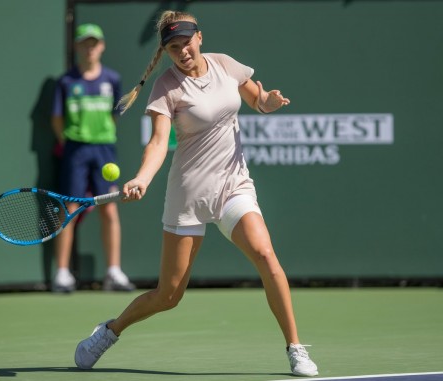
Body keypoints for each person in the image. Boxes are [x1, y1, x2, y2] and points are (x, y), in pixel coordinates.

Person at [73, 11, 318, 377]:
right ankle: (109, 331)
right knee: (168, 296)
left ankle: (296, 349)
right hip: (188, 194)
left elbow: (257, 99)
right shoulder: (166, 87)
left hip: (234, 186)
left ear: (199, 38)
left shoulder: (226, 65)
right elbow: (158, 143)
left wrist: (269, 101)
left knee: (266, 255)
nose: (182, 52)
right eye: (174, 48)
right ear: (167, 51)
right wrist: (142, 177)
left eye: (186, 43)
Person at [51, 23, 135, 292]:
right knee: (69, 210)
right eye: (84, 43)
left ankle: (113, 272)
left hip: (104, 151)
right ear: (76, 47)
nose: (89, 48)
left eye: (94, 43)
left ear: (102, 46)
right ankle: (62, 274)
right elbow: (56, 119)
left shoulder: (111, 79)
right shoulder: (66, 81)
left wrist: (100, 135)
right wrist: (71, 140)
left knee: (109, 208)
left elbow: (114, 115)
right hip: (75, 149)